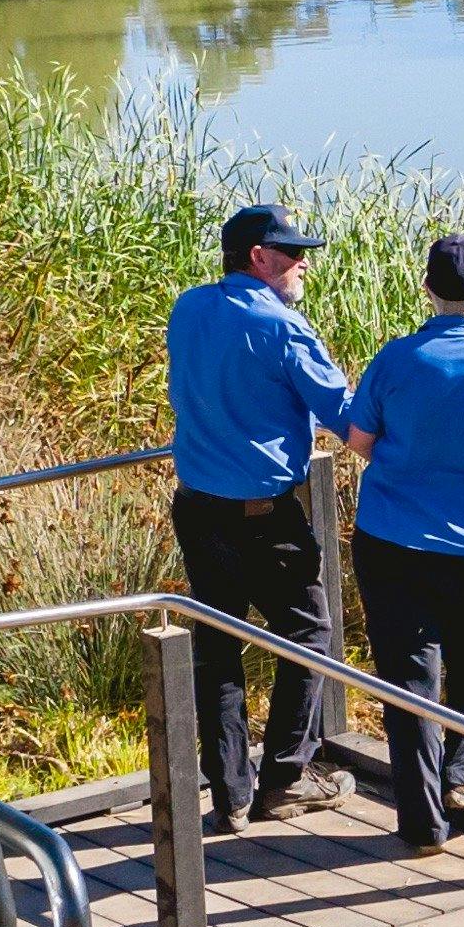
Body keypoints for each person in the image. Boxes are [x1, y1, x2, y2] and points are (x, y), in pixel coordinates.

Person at [333, 233, 464, 852]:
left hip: (390, 539)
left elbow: (359, 439)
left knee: (409, 673)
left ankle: (422, 822)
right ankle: (462, 774)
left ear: (427, 289)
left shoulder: (397, 358)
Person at [162, 204, 355, 829]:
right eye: (292, 253)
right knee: (308, 635)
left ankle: (231, 794)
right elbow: (346, 419)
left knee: (219, 642)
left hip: (197, 509)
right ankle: (286, 777)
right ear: (257, 257)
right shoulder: (284, 329)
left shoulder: (188, 309)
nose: (303, 263)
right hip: (264, 517)